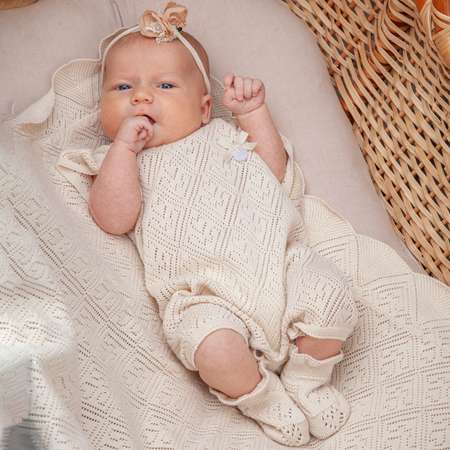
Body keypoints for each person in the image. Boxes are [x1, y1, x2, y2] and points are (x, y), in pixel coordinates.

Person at [80, 3, 358, 447]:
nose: (141, 97)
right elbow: (113, 219)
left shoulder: (225, 138)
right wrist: (124, 152)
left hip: (279, 266)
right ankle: (262, 398)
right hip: (203, 295)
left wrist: (253, 114)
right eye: (123, 87)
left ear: (205, 107)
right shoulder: (120, 163)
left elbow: (274, 175)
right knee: (212, 347)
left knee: (332, 296)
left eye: (164, 85)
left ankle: (308, 380)